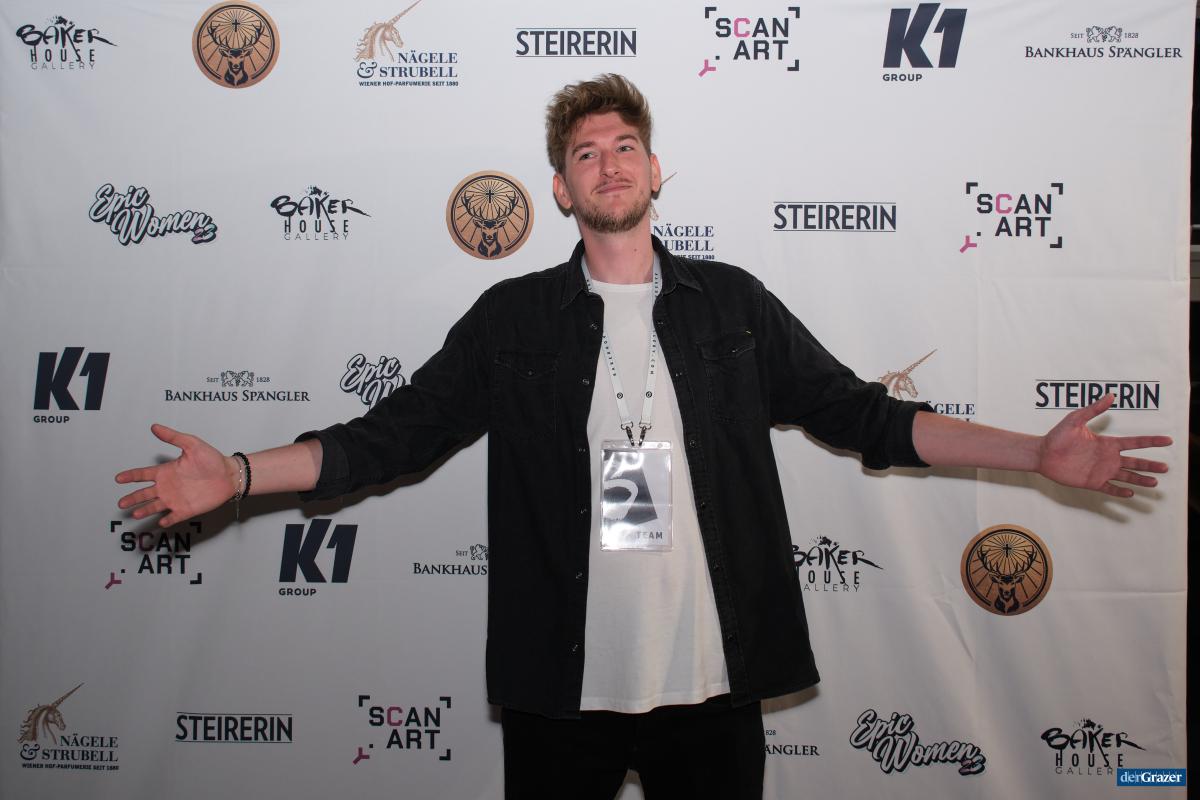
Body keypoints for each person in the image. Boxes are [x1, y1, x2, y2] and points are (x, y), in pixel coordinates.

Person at [116, 74, 1171, 799]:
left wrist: (1034, 454)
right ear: (561, 189)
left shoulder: (734, 306)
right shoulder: (511, 321)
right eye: (586, 153)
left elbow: (869, 416)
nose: (609, 163)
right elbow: (387, 438)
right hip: (560, 694)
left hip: (711, 687)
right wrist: (241, 473)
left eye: (626, 146)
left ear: (657, 171)